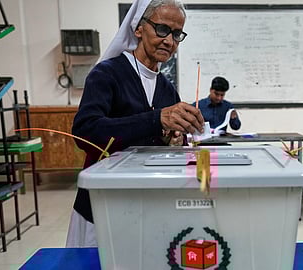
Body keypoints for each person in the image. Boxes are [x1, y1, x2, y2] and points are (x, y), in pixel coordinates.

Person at [66, 0, 204, 247]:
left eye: (176, 34)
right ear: (138, 28)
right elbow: (85, 133)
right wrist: (155, 119)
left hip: (151, 202)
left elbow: (164, 138)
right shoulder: (107, 75)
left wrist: (175, 139)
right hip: (104, 204)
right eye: (161, 29)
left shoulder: (167, 89)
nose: (169, 41)